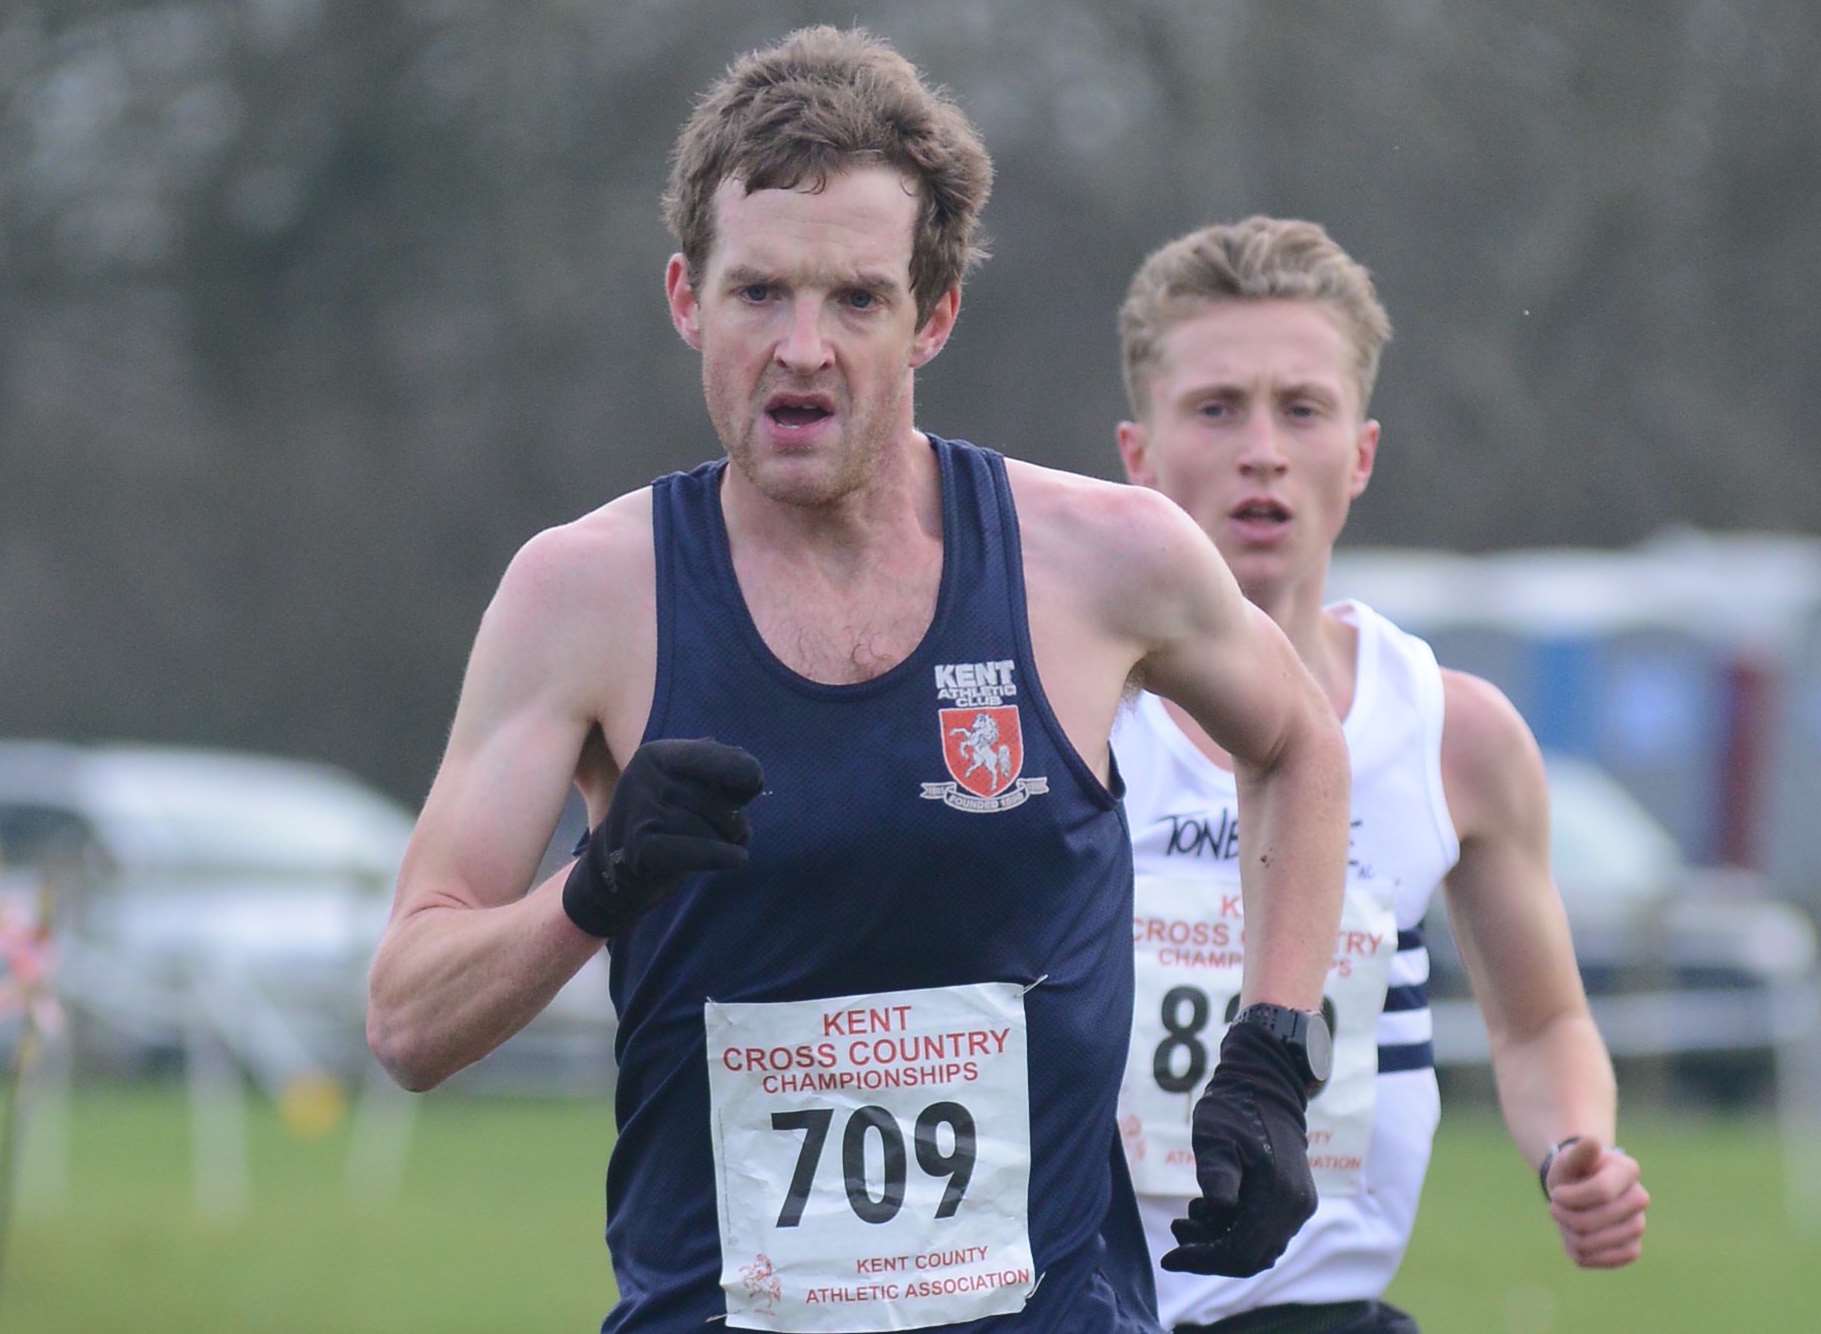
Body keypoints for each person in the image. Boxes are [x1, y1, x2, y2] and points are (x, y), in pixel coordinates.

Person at [366, 29, 1354, 1334]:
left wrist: (1271, 1051)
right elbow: (407, 1019)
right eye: (759, 293)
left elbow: (1298, 743)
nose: (802, 349)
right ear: (684, 297)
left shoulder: (1100, 558)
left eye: (856, 300)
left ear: (932, 315)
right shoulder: (582, 597)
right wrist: (591, 890)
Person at [1109, 216, 1651, 1333]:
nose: (1262, 447)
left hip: (1323, 1308)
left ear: (1358, 453)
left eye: (1301, 408)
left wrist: (1574, 1145)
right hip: (1088, 1305)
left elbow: (1541, 1022)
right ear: (1139, 454)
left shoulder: (1455, 734)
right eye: (1217, 408)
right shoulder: (1067, 716)